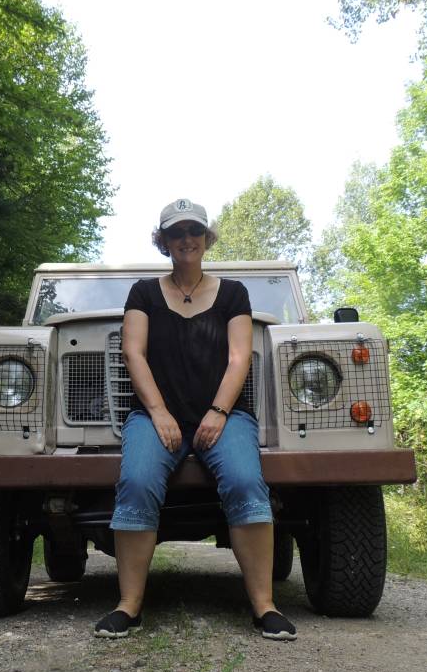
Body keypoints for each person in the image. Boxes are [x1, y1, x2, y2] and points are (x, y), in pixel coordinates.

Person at [93, 198, 297, 642]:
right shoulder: (144, 293)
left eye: (194, 231)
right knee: (137, 482)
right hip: (156, 418)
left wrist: (219, 412)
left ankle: (265, 606)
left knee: (245, 481)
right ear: (163, 241)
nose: (186, 239)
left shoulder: (233, 294)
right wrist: (159, 412)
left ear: (207, 238)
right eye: (176, 232)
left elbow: (240, 357)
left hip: (224, 416)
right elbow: (133, 352)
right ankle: (128, 606)